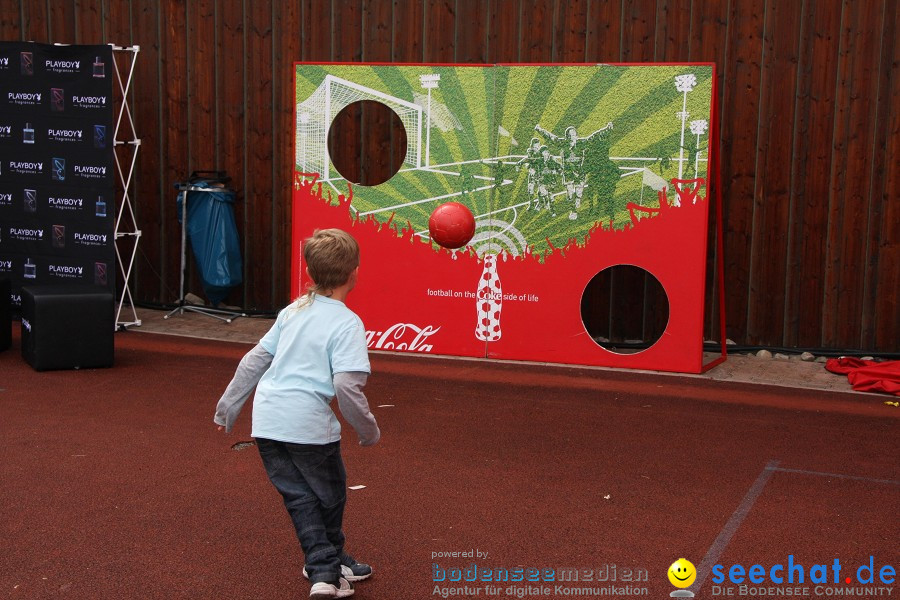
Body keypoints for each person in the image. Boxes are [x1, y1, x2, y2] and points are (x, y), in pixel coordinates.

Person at [214, 228, 380, 600]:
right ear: (354, 272)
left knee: (302, 498)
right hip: (307, 427)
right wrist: (367, 429)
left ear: (310, 271)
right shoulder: (347, 323)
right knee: (330, 495)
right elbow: (346, 387)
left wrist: (229, 405)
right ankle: (324, 572)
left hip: (268, 421)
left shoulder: (293, 310)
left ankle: (331, 559)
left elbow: (254, 360)